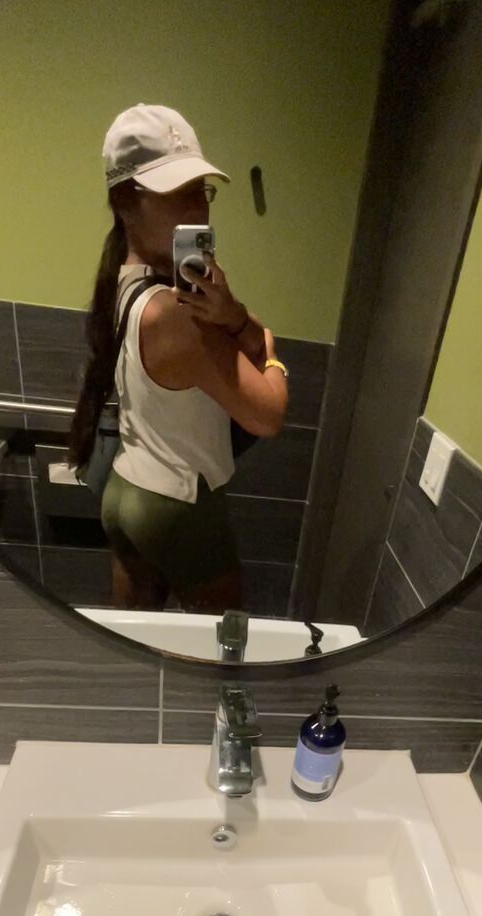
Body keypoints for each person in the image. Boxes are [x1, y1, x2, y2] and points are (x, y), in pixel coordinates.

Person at [69, 103, 288, 611]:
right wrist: (272, 353)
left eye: (200, 191)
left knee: (137, 646)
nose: (197, 210)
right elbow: (269, 414)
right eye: (177, 193)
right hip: (180, 507)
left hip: (125, 491)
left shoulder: (122, 285)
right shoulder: (176, 314)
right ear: (125, 202)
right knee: (219, 646)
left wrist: (232, 315)